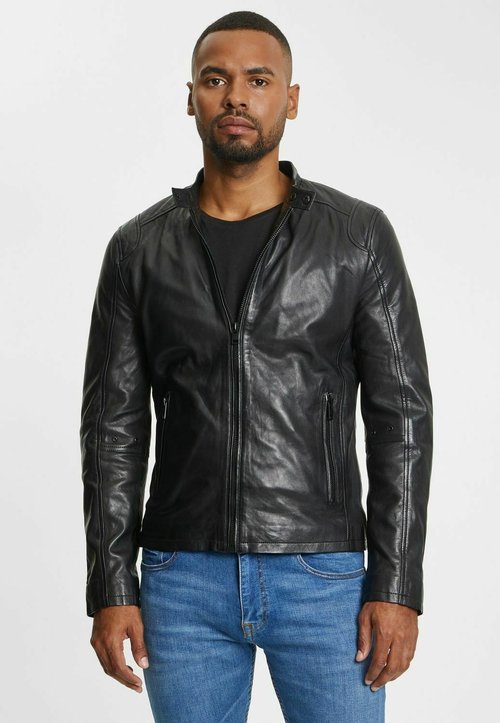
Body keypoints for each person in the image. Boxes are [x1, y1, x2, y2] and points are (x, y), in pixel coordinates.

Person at [80, 10, 433, 723]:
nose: (236, 96)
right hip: (182, 577)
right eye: (216, 79)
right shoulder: (138, 250)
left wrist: (396, 585)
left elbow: (402, 419)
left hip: (325, 575)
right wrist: (112, 584)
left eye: (258, 80)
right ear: (191, 98)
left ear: (290, 100)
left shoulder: (356, 237)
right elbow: (112, 429)